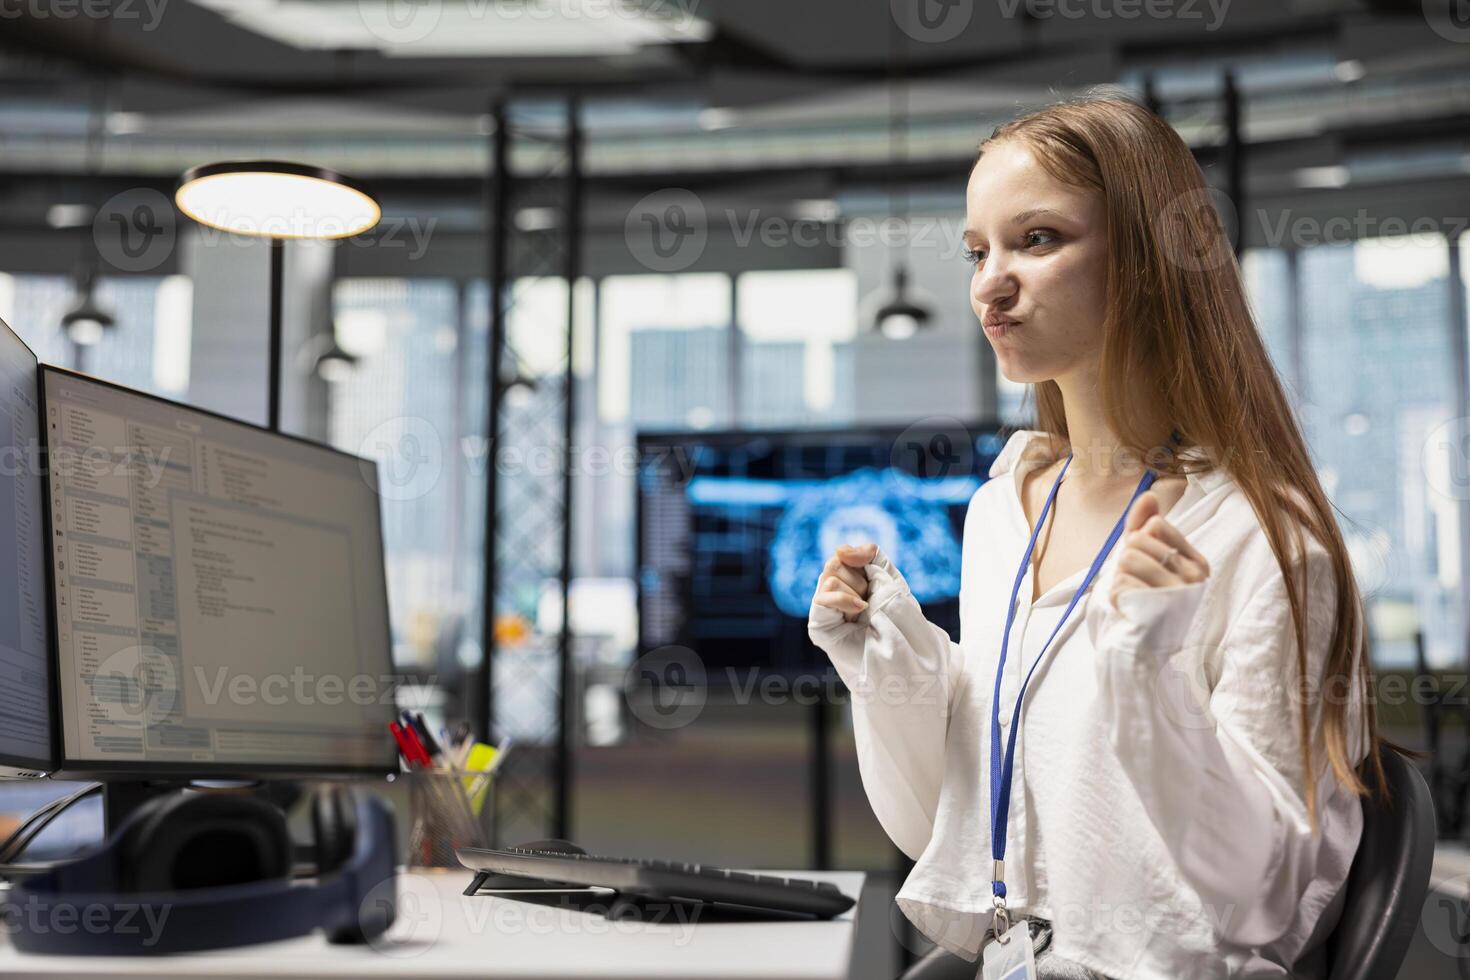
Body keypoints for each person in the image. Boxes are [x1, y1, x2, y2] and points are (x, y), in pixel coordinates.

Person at [808, 94, 1390, 980]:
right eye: (977, 251)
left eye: (1037, 240)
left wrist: (1147, 677)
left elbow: (1261, 899)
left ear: (1154, 259)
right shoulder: (1005, 509)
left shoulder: (1263, 540)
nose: (988, 284)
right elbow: (946, 829)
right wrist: (894, 663)